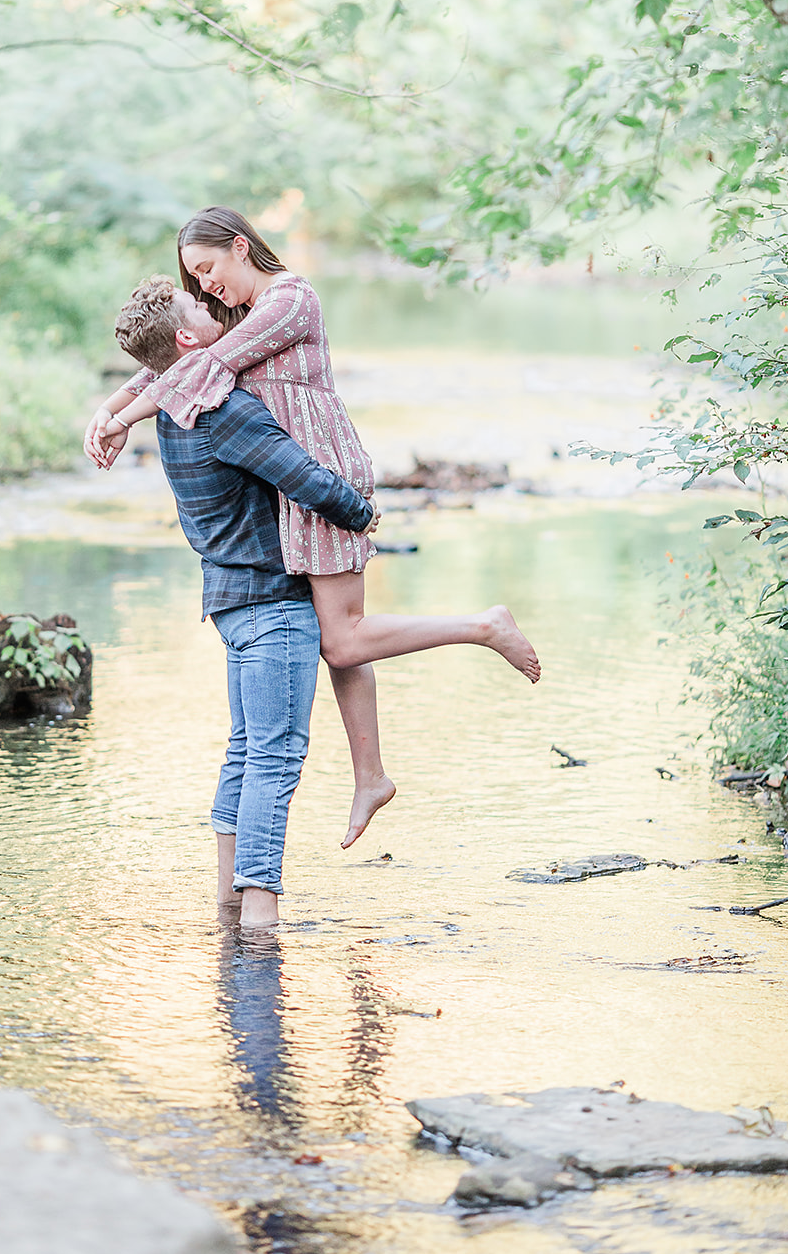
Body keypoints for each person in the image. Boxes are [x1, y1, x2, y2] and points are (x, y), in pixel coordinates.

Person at [85, 208, 541, 851]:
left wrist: (121, 418)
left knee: (344, 639)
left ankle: (482, 628)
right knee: (339, 637)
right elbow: (165, 364)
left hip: (321, 476)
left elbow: (197, 369)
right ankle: (370, 775)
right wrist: (107, 412)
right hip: (289, 484)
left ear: (240, 247)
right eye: (194, 280)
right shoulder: (236, 315)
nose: (205, 287)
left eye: (208, 270)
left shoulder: (290, 298)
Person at [107, 276, 379, 931]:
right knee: (276, 757)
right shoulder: (224, 414)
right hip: (271, 602)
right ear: (186, 338)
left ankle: (227, 906)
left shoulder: (173, 411)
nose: (210, 307)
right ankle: (260, 920)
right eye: (199, 306)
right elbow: (305, 479)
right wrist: (363, 513)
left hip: (230, 602)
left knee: (245, 750)